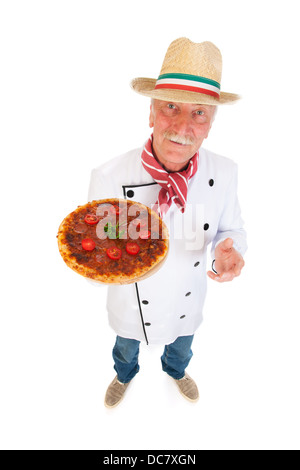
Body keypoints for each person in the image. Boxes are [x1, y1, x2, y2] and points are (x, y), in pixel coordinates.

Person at [88, 38, 247, 408]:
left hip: (186, 302)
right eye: (171, 107)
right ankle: (124, 374)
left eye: (199, 113)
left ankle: (175, 371)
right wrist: (102, 259)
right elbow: (98, 243)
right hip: (131, 303)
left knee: (182, 346)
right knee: (126, 349)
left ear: (210, 125)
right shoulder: (109, 176)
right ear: (150, 113)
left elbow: (232, 229)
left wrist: (230, 250)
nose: (182, 126)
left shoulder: (224, 172)